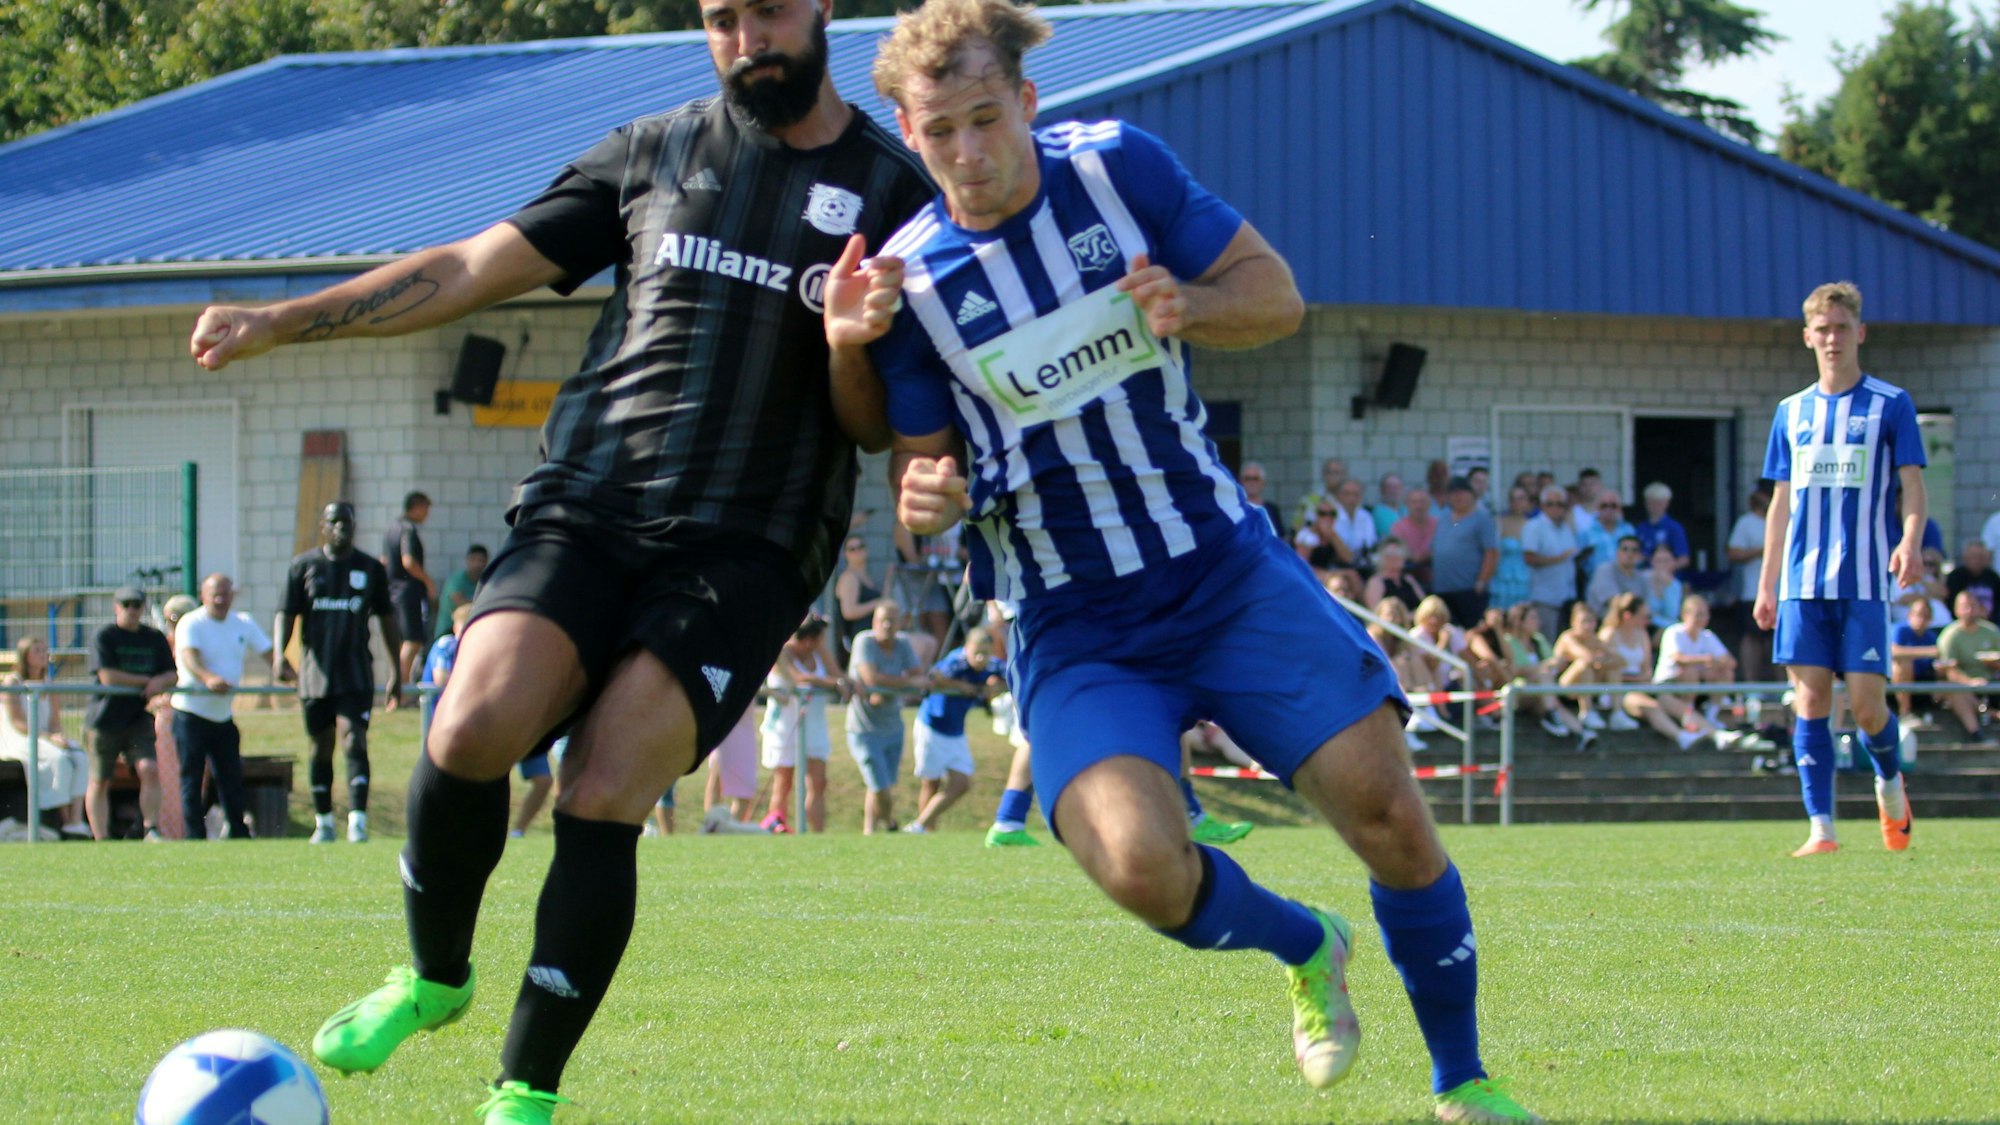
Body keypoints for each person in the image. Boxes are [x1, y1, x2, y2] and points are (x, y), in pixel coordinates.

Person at [187, 0, 936, 1112]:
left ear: (822, 6)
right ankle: (434, 976)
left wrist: (850, 348)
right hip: (585, 506)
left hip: (747, 546)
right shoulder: (653, 152)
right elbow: (465, 269)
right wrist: (281, 319)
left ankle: (524, 1092)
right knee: (469, 724)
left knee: (602, 783)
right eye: (722, 19)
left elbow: (873, 427)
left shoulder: (898, 194)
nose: (748, 40)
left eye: (770, 11)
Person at [846, 5, 1539, 1118]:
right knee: (1138, 868)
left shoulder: (1118, 168)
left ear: (1026, 101)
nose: (967, 151)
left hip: (1223, 574)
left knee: (1387, 815)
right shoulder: (912, 284)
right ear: (907, 133)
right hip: (1076, 624)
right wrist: (926, 496)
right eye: (940, 131)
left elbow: (1276, 298)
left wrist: (1192, 304)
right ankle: (1306, 943)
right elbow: (921, 468)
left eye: (986, 117)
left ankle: (1462, 1080)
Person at [1754, 281, 1925, 858]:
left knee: (1869, 707)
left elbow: (1912, 486)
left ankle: (1889, 780)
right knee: (1810, 703)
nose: (1832, 338)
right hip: (1802, 584)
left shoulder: (1890, 404)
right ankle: (1821, 828)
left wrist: (1910, 542)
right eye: (1822, 329)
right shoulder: (1791, 412)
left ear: (1860, 332)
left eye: (1842, 328)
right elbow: (1780, 503)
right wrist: (1767, 583)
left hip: (1865, 581)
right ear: (1807, 337)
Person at [282, 501, 404, 844]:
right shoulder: (304, 566)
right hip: (315, 675)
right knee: (320, 746)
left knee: (354, 739)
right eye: (334, 522)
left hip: (356, 673)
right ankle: (323, 822)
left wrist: (396, 670)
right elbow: (286, 612)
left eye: (347, 522)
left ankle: (357, 821)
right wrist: (280, 656)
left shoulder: (370, 568)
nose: (341, 528)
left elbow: (387, 619)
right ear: (323, 526)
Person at [170, 573, 275, 840]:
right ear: (203, 595)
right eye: (215, 594)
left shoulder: (243, 622)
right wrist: (209, 679)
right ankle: (195, 837)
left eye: (225, 594)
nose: (220, 599)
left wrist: (295, 676)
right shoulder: (191, 622)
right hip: (191, 714)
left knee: (231, 777)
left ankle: (238, 833)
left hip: (223, 716)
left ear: (232, 595)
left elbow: (270, 654)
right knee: (192, 779)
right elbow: (190, 659)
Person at [84, 585, 176, 841]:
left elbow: (172, 673)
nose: (132, 610)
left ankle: (151, 829)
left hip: (137, 718)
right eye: (126, 605)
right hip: (104, 719)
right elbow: (108, 676)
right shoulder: (105, 636)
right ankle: (101, 838)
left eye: (137, 605)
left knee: (149, 769)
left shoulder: (154, 637)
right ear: (116, 607)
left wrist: (161, 681)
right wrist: (148, 681)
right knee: (100, 779)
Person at [1599, 593, 1737, 750]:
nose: (1648, 621)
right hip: (1619, 691)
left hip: (1644, 686)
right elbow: (1604, 670)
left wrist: (1642, 679)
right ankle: (1682, 737)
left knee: (1679, 707)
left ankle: (1717, 735)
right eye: (1644, 616)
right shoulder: (1608, 634)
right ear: (1628, 616)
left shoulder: (1641, 635)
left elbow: (1646, 670)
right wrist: (1633, 679)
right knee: (1651, 706)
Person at [904, 625, 1006, 833]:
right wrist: (960, 686)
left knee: (961, 783)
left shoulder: (993, 664)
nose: (980, 658)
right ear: (966, 648)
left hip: (956, 731)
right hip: (932, 726)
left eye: (985, 653)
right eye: (976, 653)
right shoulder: (956, 661)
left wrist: (996, 687)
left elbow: (1013, 677)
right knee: (930, 783)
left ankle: (919, 825)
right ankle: (926, 832)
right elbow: (934, 677)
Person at [846, 601, 925, 834]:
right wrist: (906, 683)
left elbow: (919, 676)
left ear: (901, 623)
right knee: (879, 784)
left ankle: (869, 831)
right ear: (874, 622)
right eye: (883, 620)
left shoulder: (903, 643)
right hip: (864, 728)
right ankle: (890, 823)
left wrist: (891, 686)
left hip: (892, 725)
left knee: (882, 784)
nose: (887, 625)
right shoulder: (864, 641)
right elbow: (871, 678)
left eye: (892, 621)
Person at [761, 616, 845, 834]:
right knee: (784, 783)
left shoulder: (819, 650)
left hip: (814, 726)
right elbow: (798, 677)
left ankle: (816, 835)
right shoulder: (782, 652)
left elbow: (837, 673)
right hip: (784, 728)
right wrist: (834, 684)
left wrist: (847, 682)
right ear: (809, 639)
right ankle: (776, 831)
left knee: (818, 783)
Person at [1, 636, 90, 837]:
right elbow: (18, 723)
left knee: (79, 755)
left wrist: (57, 737)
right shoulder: (12, 682)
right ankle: (64, 819)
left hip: (45, 737)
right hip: (21, 739)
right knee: (59, 760)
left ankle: (76, 820)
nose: (43, 655)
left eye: (44, 650)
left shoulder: (49, 683)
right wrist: (48, 737)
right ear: (25, 656)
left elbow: (55, 722)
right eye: (37, 651)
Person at [382, 491, 436, 708]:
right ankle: (400, 693)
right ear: (417, 506)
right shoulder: (408, 529)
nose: (427, 514)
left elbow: (385, 560)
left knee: (402, 643)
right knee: (413, 641)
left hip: (393, 592)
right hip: (409, 592)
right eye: (426, 509)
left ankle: (396, 692)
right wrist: (428, 582)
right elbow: (409, 561)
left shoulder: (391, 528)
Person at [1432, 477, 1499, 628]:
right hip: (1443, 588)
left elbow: (1491, 552)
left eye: (1462, 493)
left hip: (1469, 589)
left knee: (1471, 631)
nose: (1458, 497)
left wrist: (1482, 581)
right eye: (1454, 493)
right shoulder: (1444, 517)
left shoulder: (1482, 518)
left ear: (1472, 495)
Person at [1934, 590, 2000, 741]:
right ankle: (1977, 733)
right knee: (1954, 690)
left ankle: (1989, 713)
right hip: (1962, 686)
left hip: (1991, 682)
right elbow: (1949, 670)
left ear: (1979, 608)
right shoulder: (1950, 635)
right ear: (1956, 610)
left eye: (1973, 606)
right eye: (1965, 607)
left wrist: (1995, 664)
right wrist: (1970, 682)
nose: (1969, 610)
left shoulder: (1992, 632)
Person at [1726, 488, 1774, 685]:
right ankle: (1752, 687)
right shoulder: (1746, 523)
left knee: (1779, 640)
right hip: (1753, 592)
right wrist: (1764, 551)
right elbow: (1733, 553)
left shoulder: (1789, 517)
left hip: (1782, 593)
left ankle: (1784, 689)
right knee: (1752, 639)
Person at [1550, 602, 1623, 731]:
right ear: (1573, 623)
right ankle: (1587, 712)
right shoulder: (1567, 637)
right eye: (1584, 621)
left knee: (1613, 669)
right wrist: (1602, 659)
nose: (1588, 626)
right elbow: (1585, 657)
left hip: (1587, 686)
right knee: (1584, 666)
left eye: (1592, 621)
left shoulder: (1594, 639)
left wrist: (1602, 661)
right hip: (1563, 689)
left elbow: (1620, 660)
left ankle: (1617, 713)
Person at [1519, 486, 1579, 632]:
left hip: (1566, 599)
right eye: (1550, 504)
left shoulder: (1566, 528)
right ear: (1542, 505)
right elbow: (1529, 558)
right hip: (1545, 599)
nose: (1555, 508)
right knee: (1547, 641)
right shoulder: (1534, 526)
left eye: (1560, 504)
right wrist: (1559, 558)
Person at [833, 535, 894, 658]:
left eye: (860, 547)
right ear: (845, 554)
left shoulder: (866, 577)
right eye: (852, 549)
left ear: (866, 550)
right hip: (860, 638)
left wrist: (889, 579)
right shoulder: (849, 578)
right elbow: (849, 612)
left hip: (877, 634)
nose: (857, 551)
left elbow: (884, 602)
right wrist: (877, 603)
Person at [1889, 596, 1942, 728]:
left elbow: (1938, 657)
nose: (1921, 619)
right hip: (1895, 685)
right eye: (1918, 614)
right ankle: (1905, 713)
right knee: (1903, 664)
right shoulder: (1900, 630)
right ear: (1909, 615)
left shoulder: (1931, 637)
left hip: (1923, 682)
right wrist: (1927, 651)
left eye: (1925, 616)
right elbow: (1894, 652)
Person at [433, 544, 489, 643]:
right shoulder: (456, 580)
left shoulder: (487, 582)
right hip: (449, 632)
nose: (477, 564)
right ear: (467, 560)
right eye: (473, 560)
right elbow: (459, 601)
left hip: (473, 630)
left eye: (481, 560)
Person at [1489, 487, 1531, 612]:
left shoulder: (1532, 525)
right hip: (1502, 576)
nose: (1517, 502)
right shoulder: (1499, 522)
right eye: (1513, 499)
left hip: (1525, 577)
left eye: (1521, 499)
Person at [1574, 489, 1633, 579]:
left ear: (1619, 508)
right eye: (1604, 506)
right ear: (1597, 508)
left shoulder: (1628, 530)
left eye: (1613, 506)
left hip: (1624, 580)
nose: (1609, 509)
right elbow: (1578, 561)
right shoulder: (1586, 532)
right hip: (1596, 581)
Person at [1634, 482, 1689, 573]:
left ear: (1667, 503)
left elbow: (1684, 559)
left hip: (1667, 577)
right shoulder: (1640, 528)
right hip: (1643, 576)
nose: (1654, 506)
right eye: (1651, 502)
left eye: (1658, 503)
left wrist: (1665, 567)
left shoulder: (1674, 528)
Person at [1390, 487, 1439, 587]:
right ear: (1407, 504)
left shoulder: (1439, 525)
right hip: (1407, 582)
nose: (1418, 506)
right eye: (1414, 502)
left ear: (1429, 504)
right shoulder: (1398, 527)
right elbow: (1398, 553)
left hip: (1437, 579)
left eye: (1422, 502)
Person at [1330, 477, 1379, 574]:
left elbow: (1370, 543)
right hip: (1337, 566)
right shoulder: (1331, 515)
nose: (1351, 499)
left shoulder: (1366, 517)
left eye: (1356, 495)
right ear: (1339, 496)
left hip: (1363, 565)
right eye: (1347, 494)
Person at [1944, 539, 2000, 621]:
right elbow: (1950, 604)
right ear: (1965, 557)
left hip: (1990, 623)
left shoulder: (1993, 577)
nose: (1977, 561)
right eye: (1973, 557)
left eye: (1981, 557)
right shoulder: (1956, 577)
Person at [1364, 538, 1425, 612]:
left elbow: (1424, 605)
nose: (1395, 557)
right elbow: (1375, 611)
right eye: (1390, 554)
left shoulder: (1408, 579)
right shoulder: (1376, 582)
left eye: (1399, 553)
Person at [1294, 456, 1349, 533]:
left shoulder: (1350, 500)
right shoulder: (1308, 501)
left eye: (1338, 473)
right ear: (1324, 475)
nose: (1334, 477)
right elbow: (1296, 527)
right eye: (1330, 473)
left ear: (1345, 476)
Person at [1239, 461, 1287, 537]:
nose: (1251, 483)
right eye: (1247, 479)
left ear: (1263, 482)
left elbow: (1279, 537)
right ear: (1241, 482)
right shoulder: (1235, 509)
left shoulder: (1272, 510)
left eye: (1255, 479)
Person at [1642, 542, 1684, 626]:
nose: (1662, 565)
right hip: (1645, 625)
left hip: (1667, 627)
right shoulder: (1642, 578)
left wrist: (1667, 586)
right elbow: (1645, 612)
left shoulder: (1676, 585)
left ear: (1673, 562)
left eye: (1666, 561)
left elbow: (1672, 614)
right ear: (1652, 562)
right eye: (1659, 561)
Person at [1372, 472, 1408, 541]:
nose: (1394, 491)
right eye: (1390, 487)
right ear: (1382, 490)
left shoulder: (1407, 510)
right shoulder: (1378, 513)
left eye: (1397, 487)